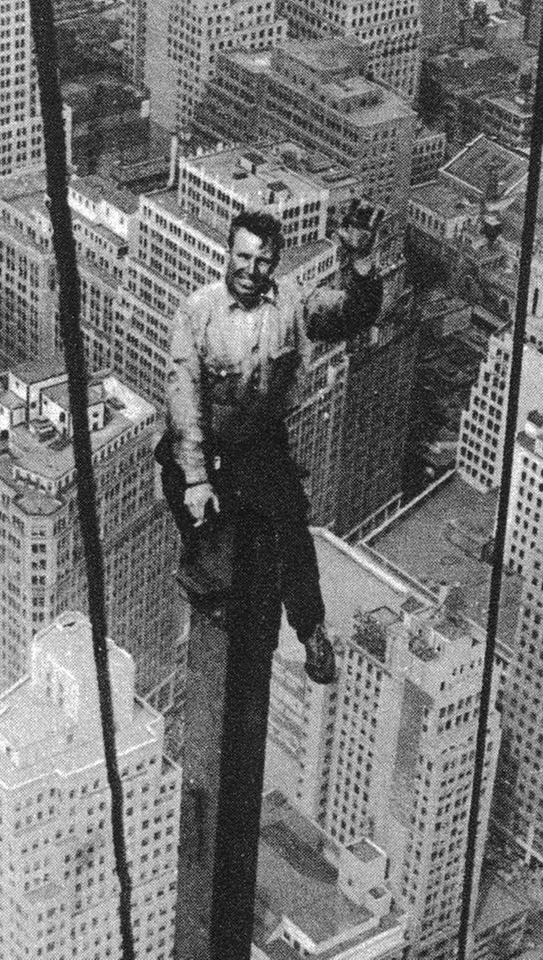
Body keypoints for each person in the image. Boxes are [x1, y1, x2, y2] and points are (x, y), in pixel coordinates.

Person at [157, 201, 385, 684]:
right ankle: (205, 582)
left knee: (291, 531)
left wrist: (360, 260)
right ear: (228, 253)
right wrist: (197, 479)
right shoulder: (198, 312)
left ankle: (311, 631)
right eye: (243, 257)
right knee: (206, 536)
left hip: (258, 444)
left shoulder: (292, 307)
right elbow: (185, 400)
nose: (250, 270)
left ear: (274, 264)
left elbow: (355, 312)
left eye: (262, 261)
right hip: (205, 447)